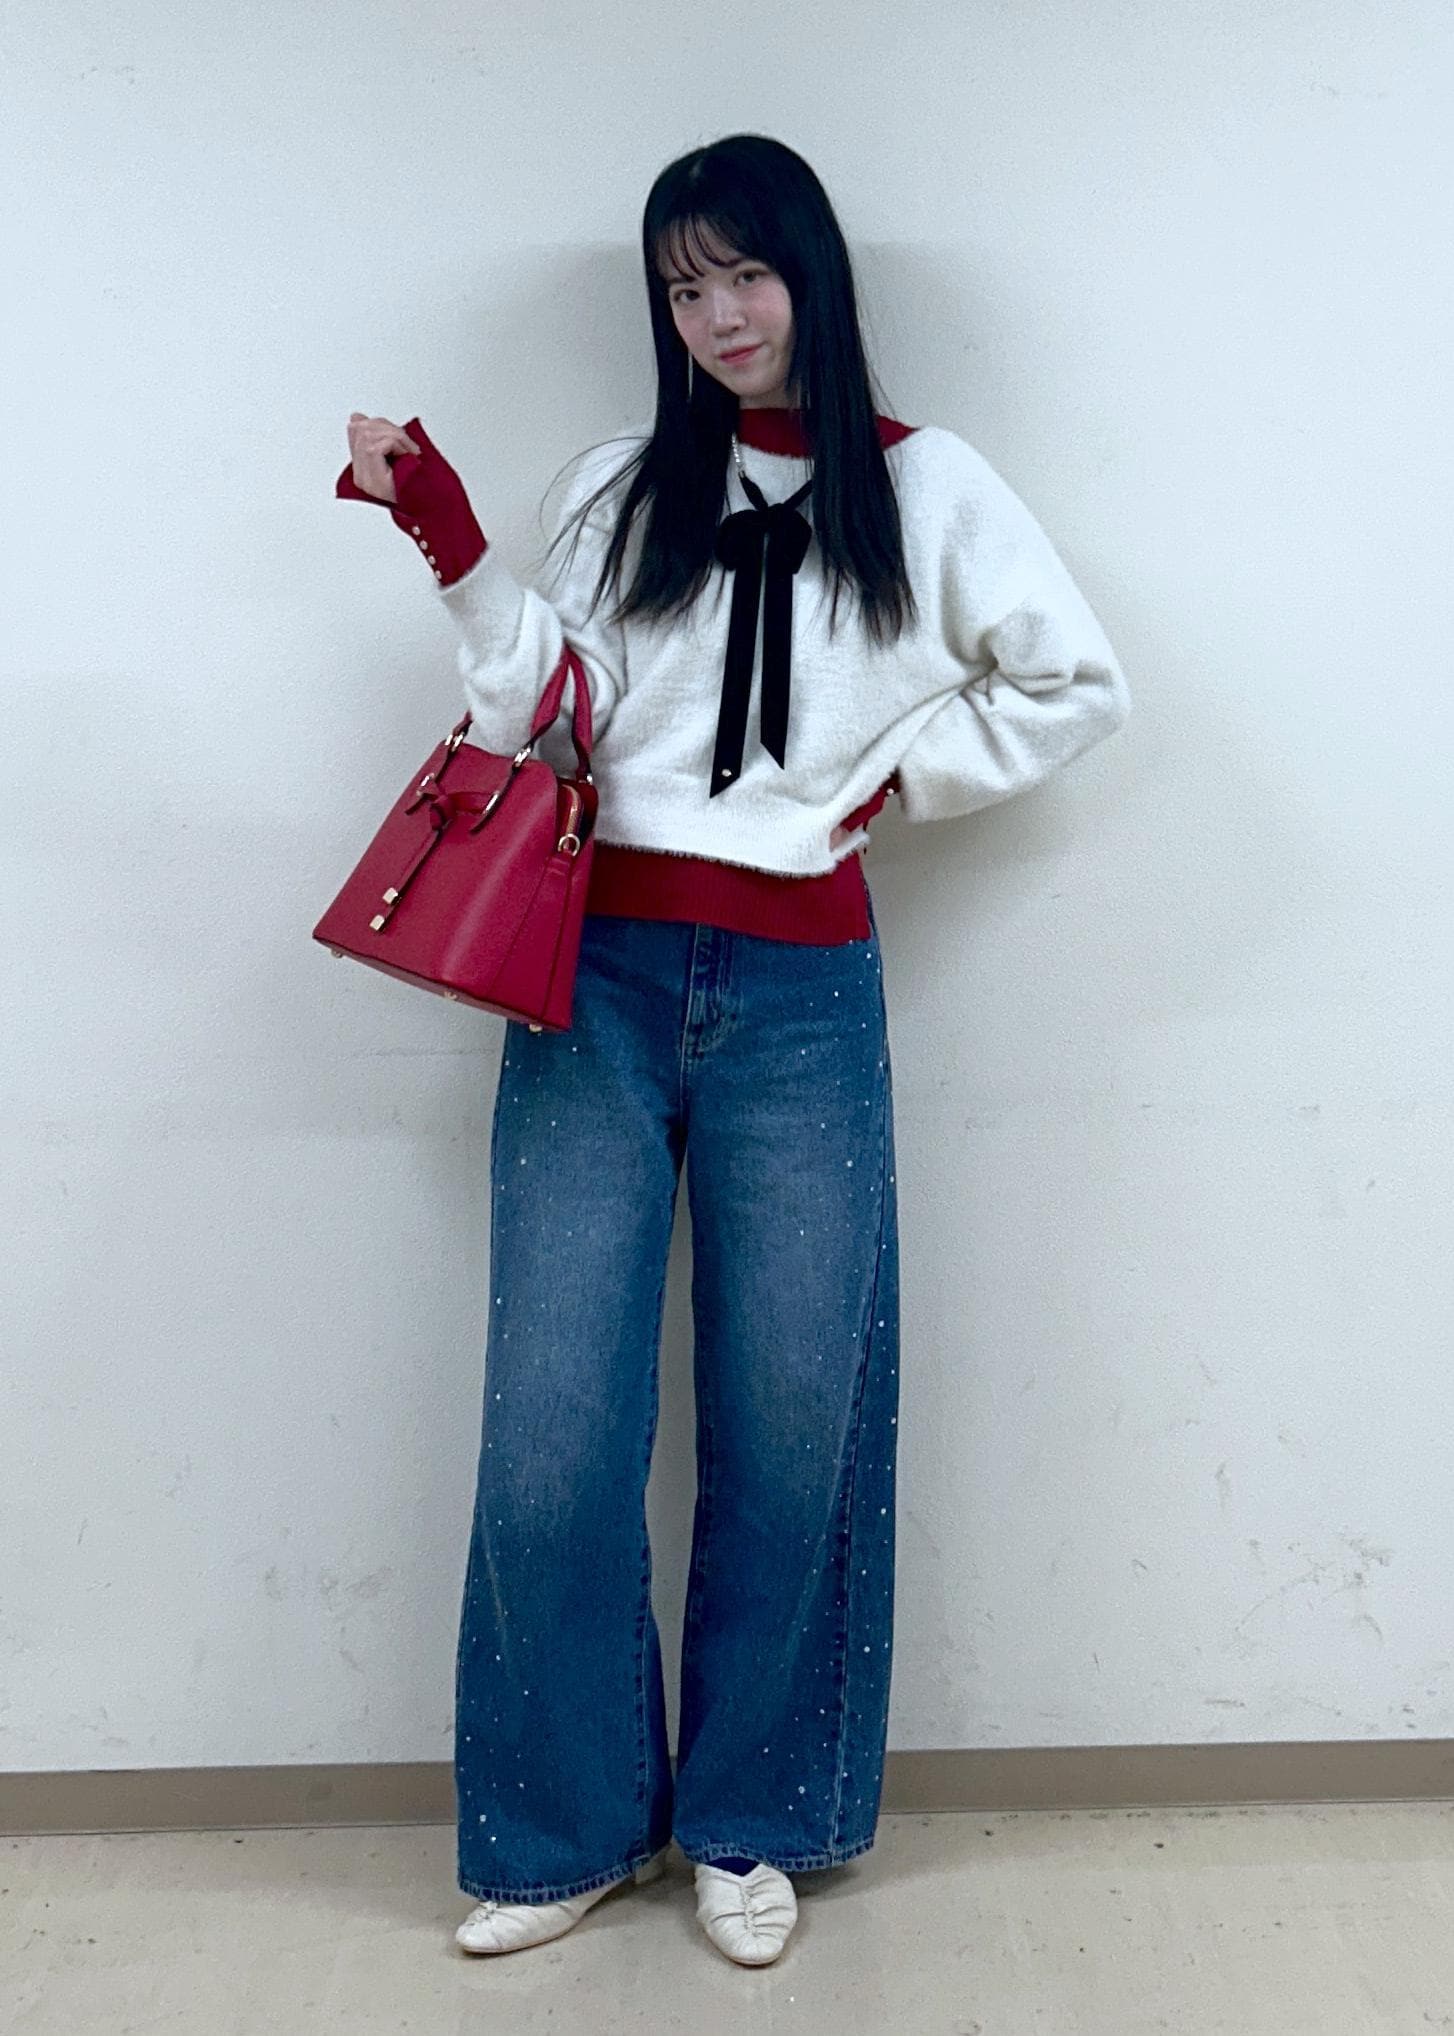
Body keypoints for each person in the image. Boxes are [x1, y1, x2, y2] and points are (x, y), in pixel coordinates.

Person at [336, 132, 1131, 1967]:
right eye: (682, 288)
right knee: (553, 1426)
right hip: (595, 977)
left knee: (792, 1424)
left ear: (809, 273)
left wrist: (892, 781)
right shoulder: (622, 485)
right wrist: (447, 537)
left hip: (800, 996)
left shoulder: (927, 488)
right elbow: (546, 708)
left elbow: (1072, 684)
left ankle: (756, 1820)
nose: (716, 315)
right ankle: (563, 1831)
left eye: (742, 273)